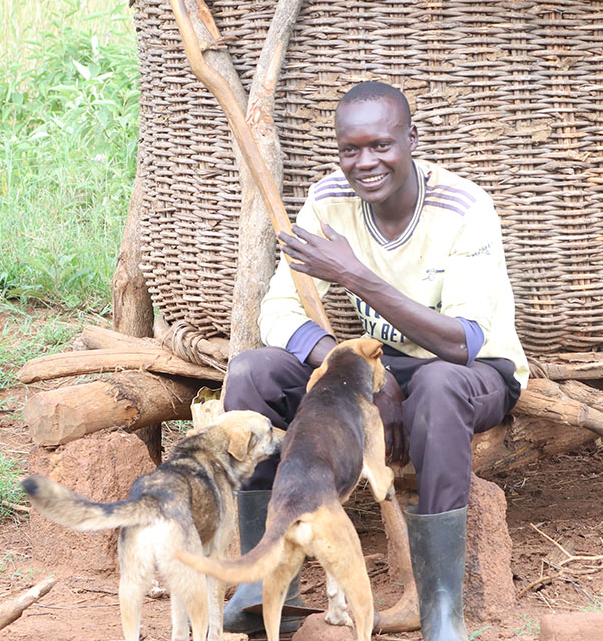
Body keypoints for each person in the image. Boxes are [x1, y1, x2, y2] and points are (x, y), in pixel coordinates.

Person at [222, 80, 529, 640]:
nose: (365, 163)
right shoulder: (327, 201)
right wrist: (359, 374)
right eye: (350, 149)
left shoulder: (463, 208)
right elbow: (279, 312)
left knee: (437, 386)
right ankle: (268, 583)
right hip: (371, 364)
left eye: (381, 145)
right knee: (253, 373)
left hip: (471, 372)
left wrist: (355, 276)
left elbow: (462, 343)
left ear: (411, 139)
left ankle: (440, 609)